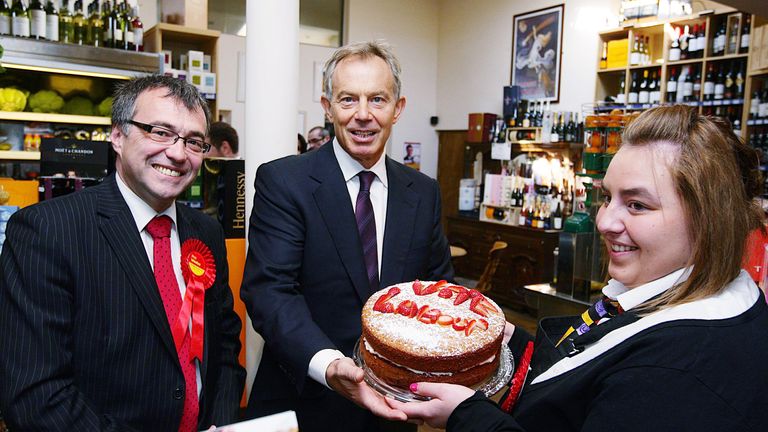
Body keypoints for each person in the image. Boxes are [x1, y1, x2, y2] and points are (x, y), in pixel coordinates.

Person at [389, 105, 768, 431]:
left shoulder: (680, 373)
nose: (605, 222)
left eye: (636, 205)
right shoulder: (673, 294)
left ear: (708, 220)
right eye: (607, 197)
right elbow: (583, 377)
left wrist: (466, 417)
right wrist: (512, 343)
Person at [0, 75, 245, 431]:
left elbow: (223, 350)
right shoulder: (47, 230)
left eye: (193, 141)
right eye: (159, 132)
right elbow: (36, 394)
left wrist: (220, 425)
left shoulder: (206, 232)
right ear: (117, 135)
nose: (177, 153)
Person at [240, 40, 453, 432]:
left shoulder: (423, 192)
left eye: (377, 99)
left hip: (393, 411)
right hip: (303, 403)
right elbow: (268, 290)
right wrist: (328, 363)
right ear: (327, 107)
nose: (363, 115)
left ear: (397, 109)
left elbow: (439, 291)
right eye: (347, 100)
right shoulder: (285, 181)